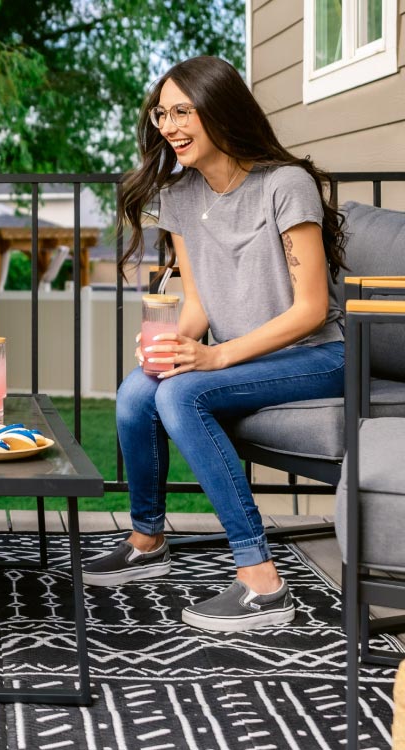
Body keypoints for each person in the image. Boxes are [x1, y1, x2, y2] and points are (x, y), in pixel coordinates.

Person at [88, 56, 348, 633]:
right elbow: (200, 302)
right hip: (241, 358)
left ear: (220, 110)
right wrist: (176, 342)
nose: (169, 125)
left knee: (181, 398)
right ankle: (146, 539)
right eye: (162, 113)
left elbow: (309, 310)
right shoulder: (178, 197)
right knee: (136, 393)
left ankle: (262, 582)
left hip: (319, 356)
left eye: (184, 111)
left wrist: (215, 357)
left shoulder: (286, 184)